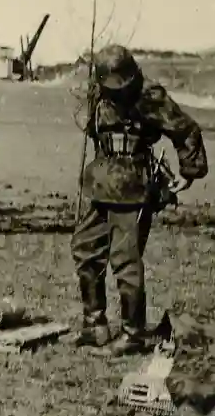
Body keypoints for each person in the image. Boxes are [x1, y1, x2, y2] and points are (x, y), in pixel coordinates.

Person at [72, 44, 208, 352]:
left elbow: (186, 129)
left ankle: (133, 334)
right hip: (102, 181)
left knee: (125, 261)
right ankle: (95, 324)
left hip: (133, 184)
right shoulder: (98, 92)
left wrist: (189, 172)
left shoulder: (148, 93)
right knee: (84, 248)